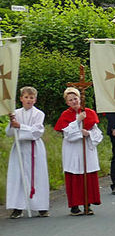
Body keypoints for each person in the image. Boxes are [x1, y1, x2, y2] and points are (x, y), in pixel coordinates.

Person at [54, 86, 104, 215]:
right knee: (75, 176)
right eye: (70, 100)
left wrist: (88, 134)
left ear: (80, 99)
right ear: (67, 102)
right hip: (73, 151)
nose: (74, 102)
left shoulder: (89, 112)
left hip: (86, 149)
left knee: (87, 176)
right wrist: (78, 121)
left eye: (75, 98)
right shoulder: (66, 115)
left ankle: (88, 204)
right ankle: (75, 206)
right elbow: (68, 135)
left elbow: (97, 133)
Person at [5, 86, 50, 218]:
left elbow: (37, 131)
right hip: (19, 148)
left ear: (35, 100)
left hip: (34, 148)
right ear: (21, 99)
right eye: (26, 97)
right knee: (18, 177)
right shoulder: (15, 113)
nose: (29, 100)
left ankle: (41, 206)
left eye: (31, 98)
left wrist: (21, 126)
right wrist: (12, 122)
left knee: (37, 176)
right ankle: (18, 207)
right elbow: (9, 133)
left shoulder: (39, 114)